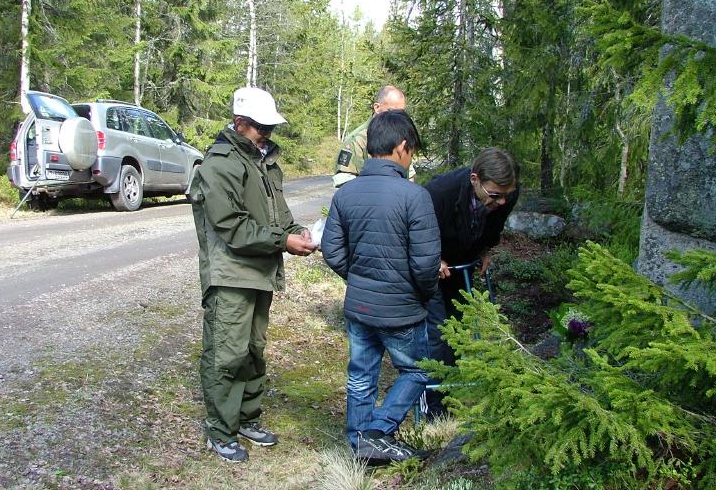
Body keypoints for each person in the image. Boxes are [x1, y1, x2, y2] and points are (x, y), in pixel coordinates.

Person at [189, 86, 318, 463]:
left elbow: (279, 215)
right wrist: (283, 241)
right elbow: (232, 227)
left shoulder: (265, 162)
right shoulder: (219, 163)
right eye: (262, 128)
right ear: (239, 122)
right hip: (230, 275)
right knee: (226, 355)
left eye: (271, 128)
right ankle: (221, 431)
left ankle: (246, 418)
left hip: (260, 272)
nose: (268, 134)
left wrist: (298, 232)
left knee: (253, 351)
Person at [322, 109, 441, 464]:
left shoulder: (345, 194)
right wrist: (421, 295)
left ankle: (360, 446)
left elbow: (332, 251)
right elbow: (426, 265)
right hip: (402, 310)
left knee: (361, 376)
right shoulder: (415, 197)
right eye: (412, 151)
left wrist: (359, 278)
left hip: (360, 307)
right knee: (419, 369)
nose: (411, 158)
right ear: (402, 146)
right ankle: (376, 433)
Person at [423, 147, 519, 417]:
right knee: (438, 332)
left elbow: (495, 225)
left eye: (506, 195)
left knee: (457, 329)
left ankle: (450, 393)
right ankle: (433, 406)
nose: (502, 202)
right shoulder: (440, 192)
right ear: (475, 179)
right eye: (495, 195)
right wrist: (432, 256)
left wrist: (486, 249)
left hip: (461, 264)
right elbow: (416, 227)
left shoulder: (506, 194)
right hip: (432, 266)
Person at [332, 85, 416, 187]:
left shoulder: (402, 135)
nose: (398, 117)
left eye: (401, 112)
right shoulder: (357, 140)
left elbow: (409, 174)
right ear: (377, 107)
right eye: (392, 111)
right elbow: (344, 179)